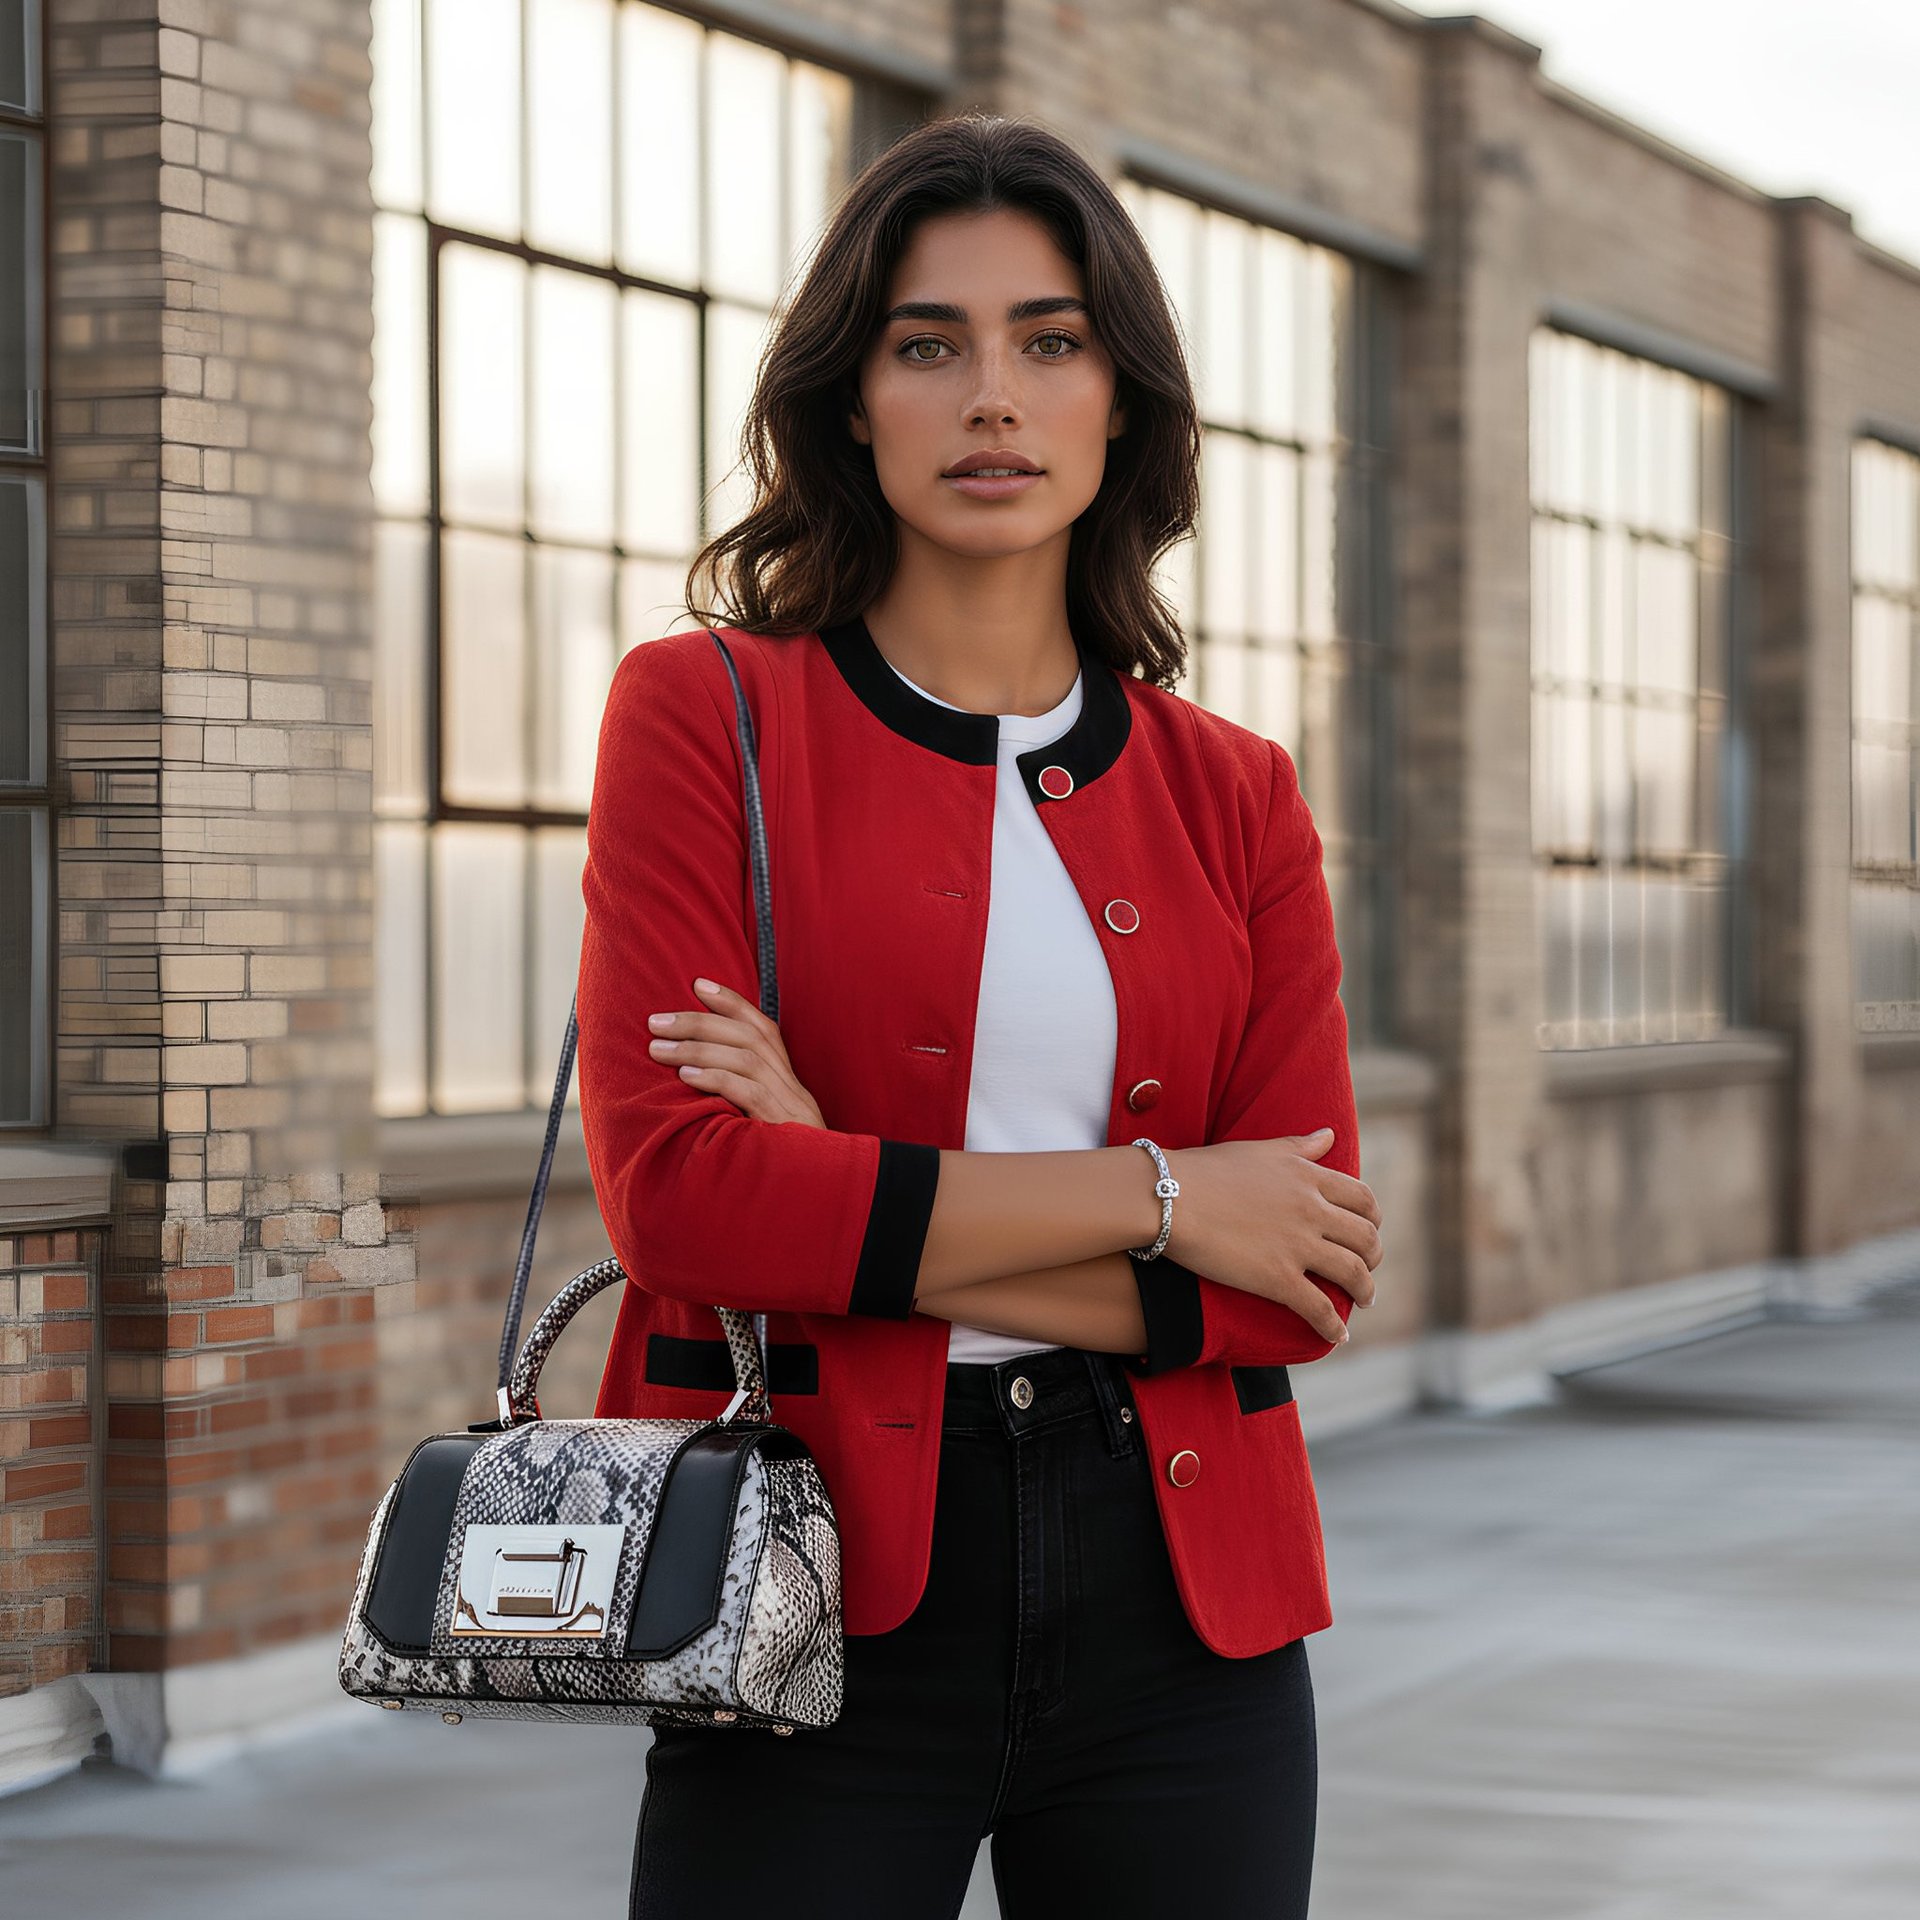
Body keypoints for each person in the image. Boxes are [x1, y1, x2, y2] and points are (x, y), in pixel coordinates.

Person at [575, 110, 1385, 1920]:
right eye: (928, 344)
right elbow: (688, 1208)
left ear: (1125, 408)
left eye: (1051, 340)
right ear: (851, 401)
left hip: (1189, 1611)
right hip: (808, 1583)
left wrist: (834, 1178)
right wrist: (1166, 1196)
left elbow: (1305, 1281)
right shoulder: (705, 716)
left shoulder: (1236, 792)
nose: (992, 398)